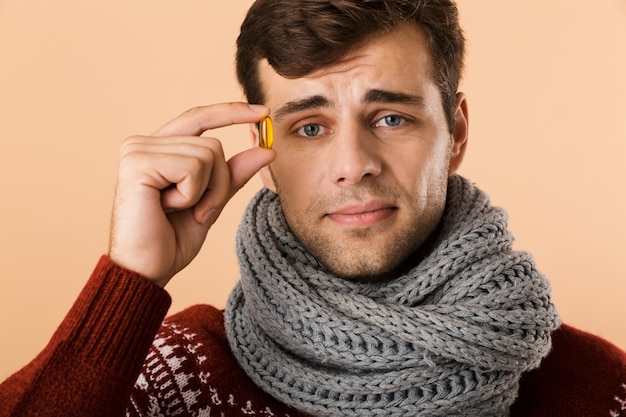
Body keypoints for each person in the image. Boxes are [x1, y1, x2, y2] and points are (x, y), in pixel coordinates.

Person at [1, 0, 625, 416]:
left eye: (390, 117)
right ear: (261, 148)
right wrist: (132, 279)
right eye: (308, 127)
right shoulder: (173, 376)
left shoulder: (600, 390)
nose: (353, 163)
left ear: (455, 132)